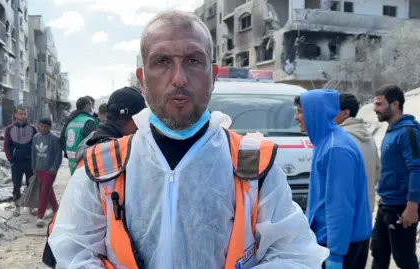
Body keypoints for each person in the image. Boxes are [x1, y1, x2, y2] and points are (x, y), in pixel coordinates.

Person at [49, 10, 328, 269]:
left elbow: (293, 254)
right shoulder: (103, 168)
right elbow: (74, 251)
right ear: (142, 78)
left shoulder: (254, 164)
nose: (179, 78)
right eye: (162, 62)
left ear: (213, 74)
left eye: (193, 61)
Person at [294, 90, 372, 269]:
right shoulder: (325, 141)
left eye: (300, 111)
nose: (296, 117)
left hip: (341, 244)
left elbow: (340, 205)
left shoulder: (336, 148)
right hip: (331, 239)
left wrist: (336, 255)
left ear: (315, 113)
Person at [370, 84, 420, 269]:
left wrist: (412, 207)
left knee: (404, 258)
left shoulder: (408, 132)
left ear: (395, 104)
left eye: (379, 104)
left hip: (401, 206)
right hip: (386, 204)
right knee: (378, 251)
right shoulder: (392, 130)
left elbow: (417, 169)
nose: (375, 109)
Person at [334, 93, 381, 214]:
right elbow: (377, 172)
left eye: (334, 110)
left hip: (345, 214)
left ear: (346, 113)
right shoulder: (369, 137)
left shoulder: (340, 140)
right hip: (366, 210)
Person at [74, 86, 146, 165]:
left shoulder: (93, 139)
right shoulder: (115, 153)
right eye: (140, 120)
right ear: (132, 120)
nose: (140, 127)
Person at [4, 106, 37, 216]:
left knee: (30, 184)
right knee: (16, 184)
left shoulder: (32, 129)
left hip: (29, 161)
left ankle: (30, 207)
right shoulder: (9, 129)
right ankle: (17, 207)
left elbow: (35, 145)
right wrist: (10, 159)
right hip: (16, 162)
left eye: (24, 114)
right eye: (20, 114)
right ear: (15, 115)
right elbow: (7, 145)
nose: (22, 116)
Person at [31, 118, 62, 228]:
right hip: (39, 169)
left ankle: (40, 216)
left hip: (50, 170)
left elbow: (58, 155)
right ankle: (56, 209)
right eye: (42, 126)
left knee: (44, 191)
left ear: (50, 127)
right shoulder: (36, 137)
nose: (43, 128)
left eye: (46, 127)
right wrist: (33, 166)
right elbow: (33, 152)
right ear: (39, 126)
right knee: (48, 190)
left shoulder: (54, 139)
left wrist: (54, 168)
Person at [59, 97, 98, 174]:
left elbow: (62, 139)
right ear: (87, 106)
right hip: (85, 165)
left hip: (72, 164)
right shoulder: (88, 122)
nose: (92, 108)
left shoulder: (71, 121)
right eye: (91, 105)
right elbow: (95, 145)